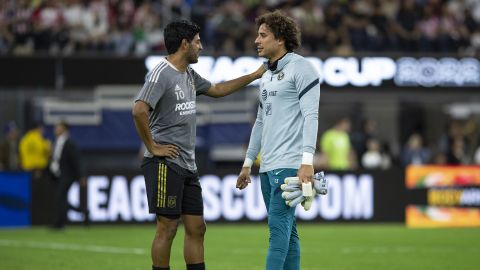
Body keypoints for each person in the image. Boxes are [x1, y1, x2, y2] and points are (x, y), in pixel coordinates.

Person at [132, 20, 265, 270]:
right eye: (197, 41)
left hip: (187, 165)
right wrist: (153, 147)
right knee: (168, 227)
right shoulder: (161, 73)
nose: (201, 47)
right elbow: (139, 110)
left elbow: (217, 89)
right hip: (165, 162)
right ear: (185, 44)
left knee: (197, 228)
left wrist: (254, 76)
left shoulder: (189, 75)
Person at [236, 11, 320, 270]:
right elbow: (261, 122)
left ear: (280, 38)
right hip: (267, 166)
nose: (256, 41)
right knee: (289, 231)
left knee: (277, 230)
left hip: (290, 165)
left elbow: (311, 116)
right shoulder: (267, 75)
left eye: (263, 35)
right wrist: (248, 163)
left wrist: (307, 162)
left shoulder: (302, 68)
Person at [49, 121, 87, 229]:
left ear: (65, 129)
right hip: (57, 175)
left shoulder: (70, 143)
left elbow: (77, 160)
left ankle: (59, 224)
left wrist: (81, 176)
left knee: (60, 197)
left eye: (58, 127)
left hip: (68, 175)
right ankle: (83, 212)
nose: (55, 129)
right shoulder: (56, 141)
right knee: (62, 199)